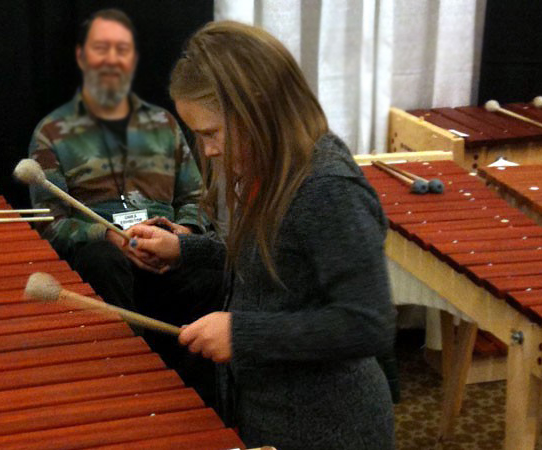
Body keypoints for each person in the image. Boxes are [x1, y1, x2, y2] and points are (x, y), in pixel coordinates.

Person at [127, 21, 397, 450]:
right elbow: (274, 260)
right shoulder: (272, 168)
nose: (208, 149)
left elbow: (369, 323)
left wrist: (240, 335)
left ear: (255, 109)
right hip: (269, 414)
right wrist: (186, 249)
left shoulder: (325, 187)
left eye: (210, 133)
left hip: (327, 428)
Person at [27, 8, 221, 403]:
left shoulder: (166, 124)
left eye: (122, 49)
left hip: (165, 251)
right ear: (82, 57)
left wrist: (184, 236)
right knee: (101, 259)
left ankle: (200, 405)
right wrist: (106, 235)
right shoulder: (50, 133)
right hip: (106, 260)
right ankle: (132, 388)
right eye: (102, 49)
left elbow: (196, 199)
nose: (112, 59)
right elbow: (50, 225)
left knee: (214, 269)